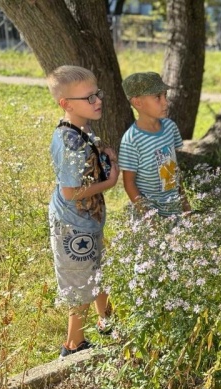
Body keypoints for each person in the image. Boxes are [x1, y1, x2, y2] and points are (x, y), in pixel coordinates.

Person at [46, 65, 119, 357]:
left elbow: (92, 146)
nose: (97, 101)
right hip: (72, 226)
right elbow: (69, 191)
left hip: (88, 221)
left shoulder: (80, 128)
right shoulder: (69, 143)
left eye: (97, 94)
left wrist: (105, 153)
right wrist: (110, 182)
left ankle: (107, 322)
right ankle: (73, 346)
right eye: (89, 98)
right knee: (81, 283)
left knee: (97, 271)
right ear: (65, 104)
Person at [119, 72, 190, 217]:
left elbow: (173, 168)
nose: (165, 102)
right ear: (138, 102)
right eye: (158, 97)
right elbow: (129, 184)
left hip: (175, 210)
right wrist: (149, 219)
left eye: (165, 96)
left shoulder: (170, 127)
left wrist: (185, 205)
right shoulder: (131, 140)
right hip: (150, 217)